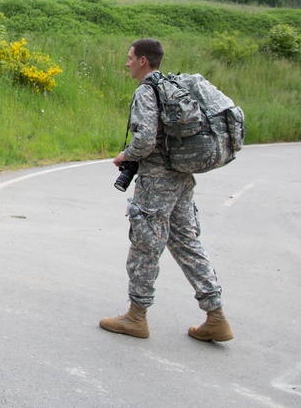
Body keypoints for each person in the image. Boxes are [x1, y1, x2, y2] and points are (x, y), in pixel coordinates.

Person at [99, 38, 233, 342]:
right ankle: (216, 316)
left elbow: (145, 140)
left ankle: (136, 316)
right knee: (186, 242)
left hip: (157, 180)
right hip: (182, 176)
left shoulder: (147, 91)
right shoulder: (171, 87)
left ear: (144, 60)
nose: (127, 62)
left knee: (145, 243)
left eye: (130, 57)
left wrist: (125, 156)